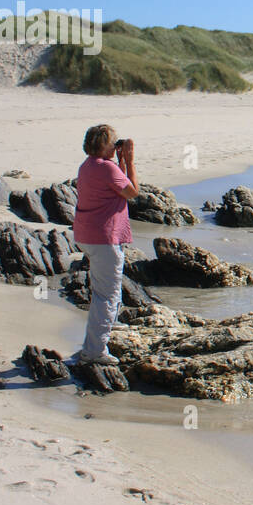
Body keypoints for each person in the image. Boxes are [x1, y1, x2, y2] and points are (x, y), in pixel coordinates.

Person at [73, 124, 139, 366]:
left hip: (86, 235)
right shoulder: (107, 168)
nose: (116, 146)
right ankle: (94, 351)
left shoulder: (88, 166)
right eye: (113, 142)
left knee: (102, 292)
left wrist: (120, 161)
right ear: (103, 144)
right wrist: (130, 161)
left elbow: (116, 186)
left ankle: (98, 339)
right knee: (107, 295)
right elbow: (132, 192)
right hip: (104, 238)